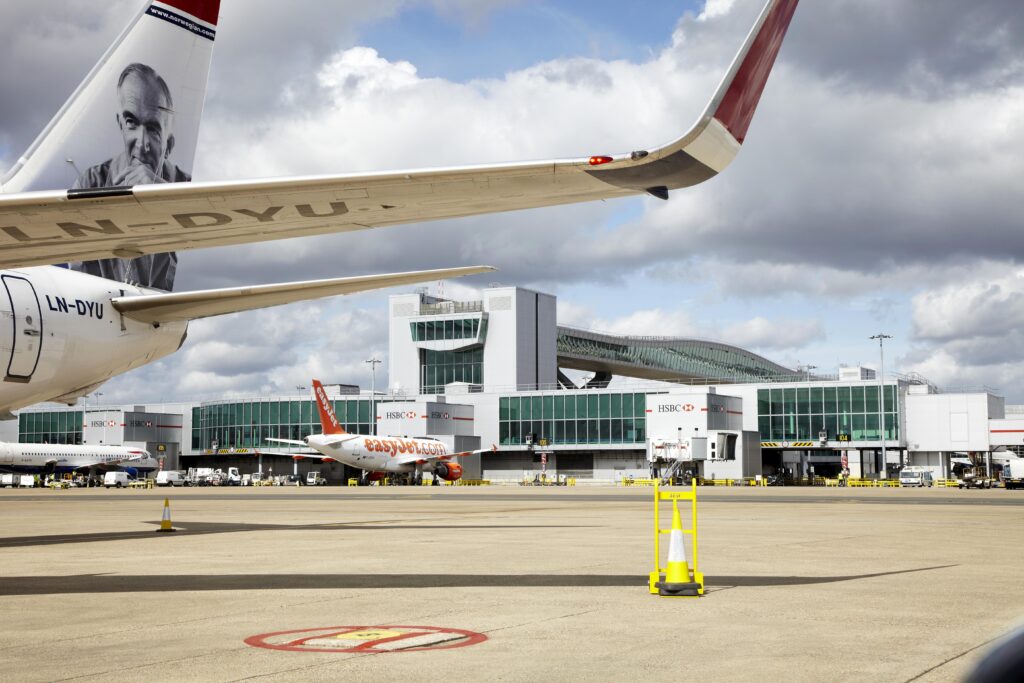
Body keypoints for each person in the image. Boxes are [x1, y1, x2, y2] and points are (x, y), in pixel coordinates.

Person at [70, 63, 189, 291]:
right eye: (131, 122)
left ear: (169, 144)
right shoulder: (91, 183)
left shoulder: (184, 186)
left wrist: (163, 201)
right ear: (120, 125)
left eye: (153, 130)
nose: (142, 143)